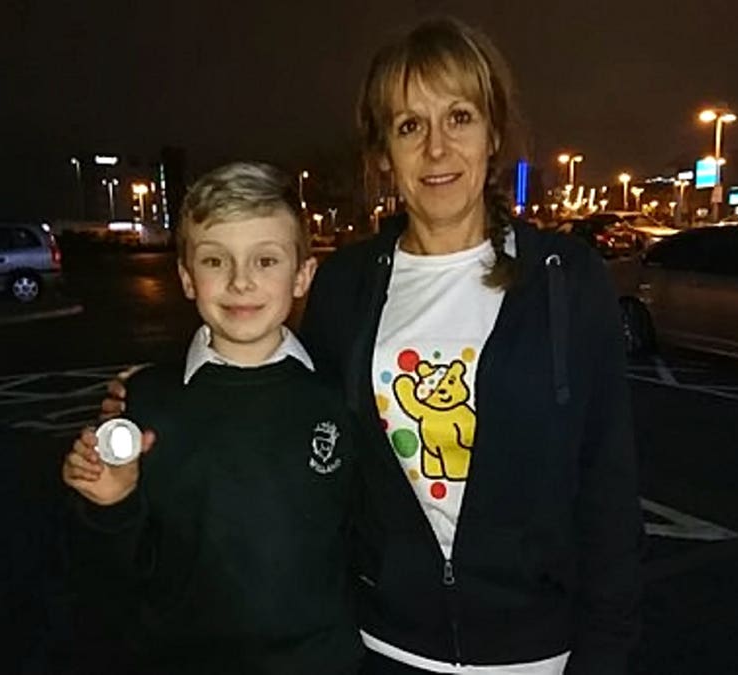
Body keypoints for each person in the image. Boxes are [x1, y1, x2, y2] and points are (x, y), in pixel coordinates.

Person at [103, 17, 641, 674]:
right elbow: (290, 403)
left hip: (533, 650)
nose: (437, 149)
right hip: (385, 647)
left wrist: (604, 654)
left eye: (460, 117)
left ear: (494, 133)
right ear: (384, 150)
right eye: (410, 126)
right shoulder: (349, 283)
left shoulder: (566, 279)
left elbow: (608, 486)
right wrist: (155, 397)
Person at [63, 161, 363, 674]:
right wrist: (109, 507)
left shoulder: (338, 397)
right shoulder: (149, 403)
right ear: (185, 277)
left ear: (302, 276)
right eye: (215, 261)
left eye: (266, 260)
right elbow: (111, 573)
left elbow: (369, 540)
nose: (241, 282)